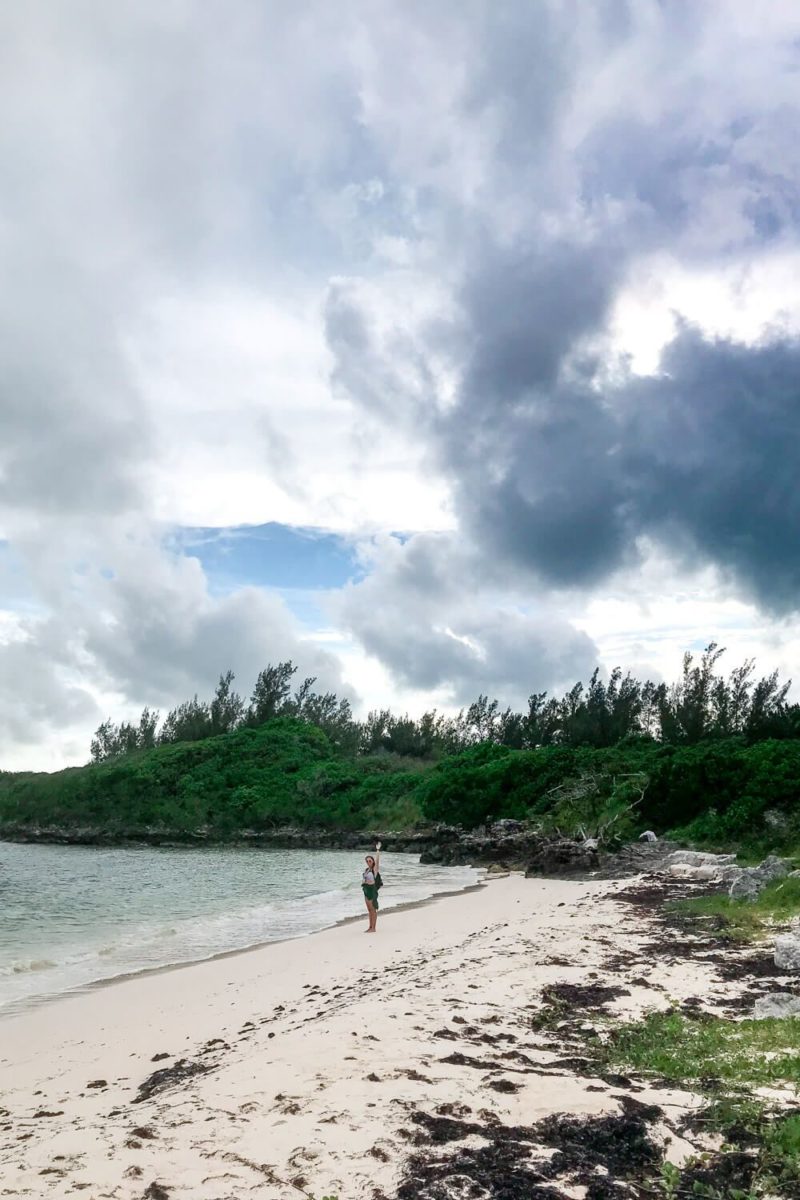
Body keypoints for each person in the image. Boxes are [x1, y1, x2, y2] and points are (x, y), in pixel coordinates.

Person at [362, 841, 381, 933]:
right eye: (367, 861)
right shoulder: (366, 870)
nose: (368, 862)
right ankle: (370, 926)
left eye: (370, 860)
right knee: (369, 910)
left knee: (373, 910)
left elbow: (377, 861)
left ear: (372, 861)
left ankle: (373, 928)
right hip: (366, 891)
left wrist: (377, 850)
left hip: (372, 891)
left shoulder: (374, 870)